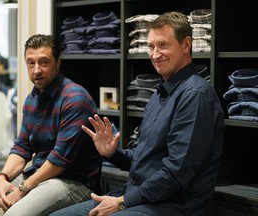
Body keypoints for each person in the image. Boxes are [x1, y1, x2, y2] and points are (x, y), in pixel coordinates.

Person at [50, 11, 225, 216]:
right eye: (151, 46)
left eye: (163, 45)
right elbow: (146, 159)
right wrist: (112, 153)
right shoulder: (160, 93)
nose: (155, 54)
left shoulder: (196, 95)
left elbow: (177, 173)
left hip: (173, 205)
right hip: (141, 197)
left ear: (186, 45)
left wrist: (123, 202)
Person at [0, 34, 102, 216]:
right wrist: (3, 177)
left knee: (14, 214)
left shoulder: (75, 99)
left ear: (58, 62)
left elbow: (59, 160)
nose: (37, 70)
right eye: (31, 63)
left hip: (71, 182)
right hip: (36, 176)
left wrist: (23, 188)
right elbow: (22, 147)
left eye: (44, 62)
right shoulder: (32, 100)